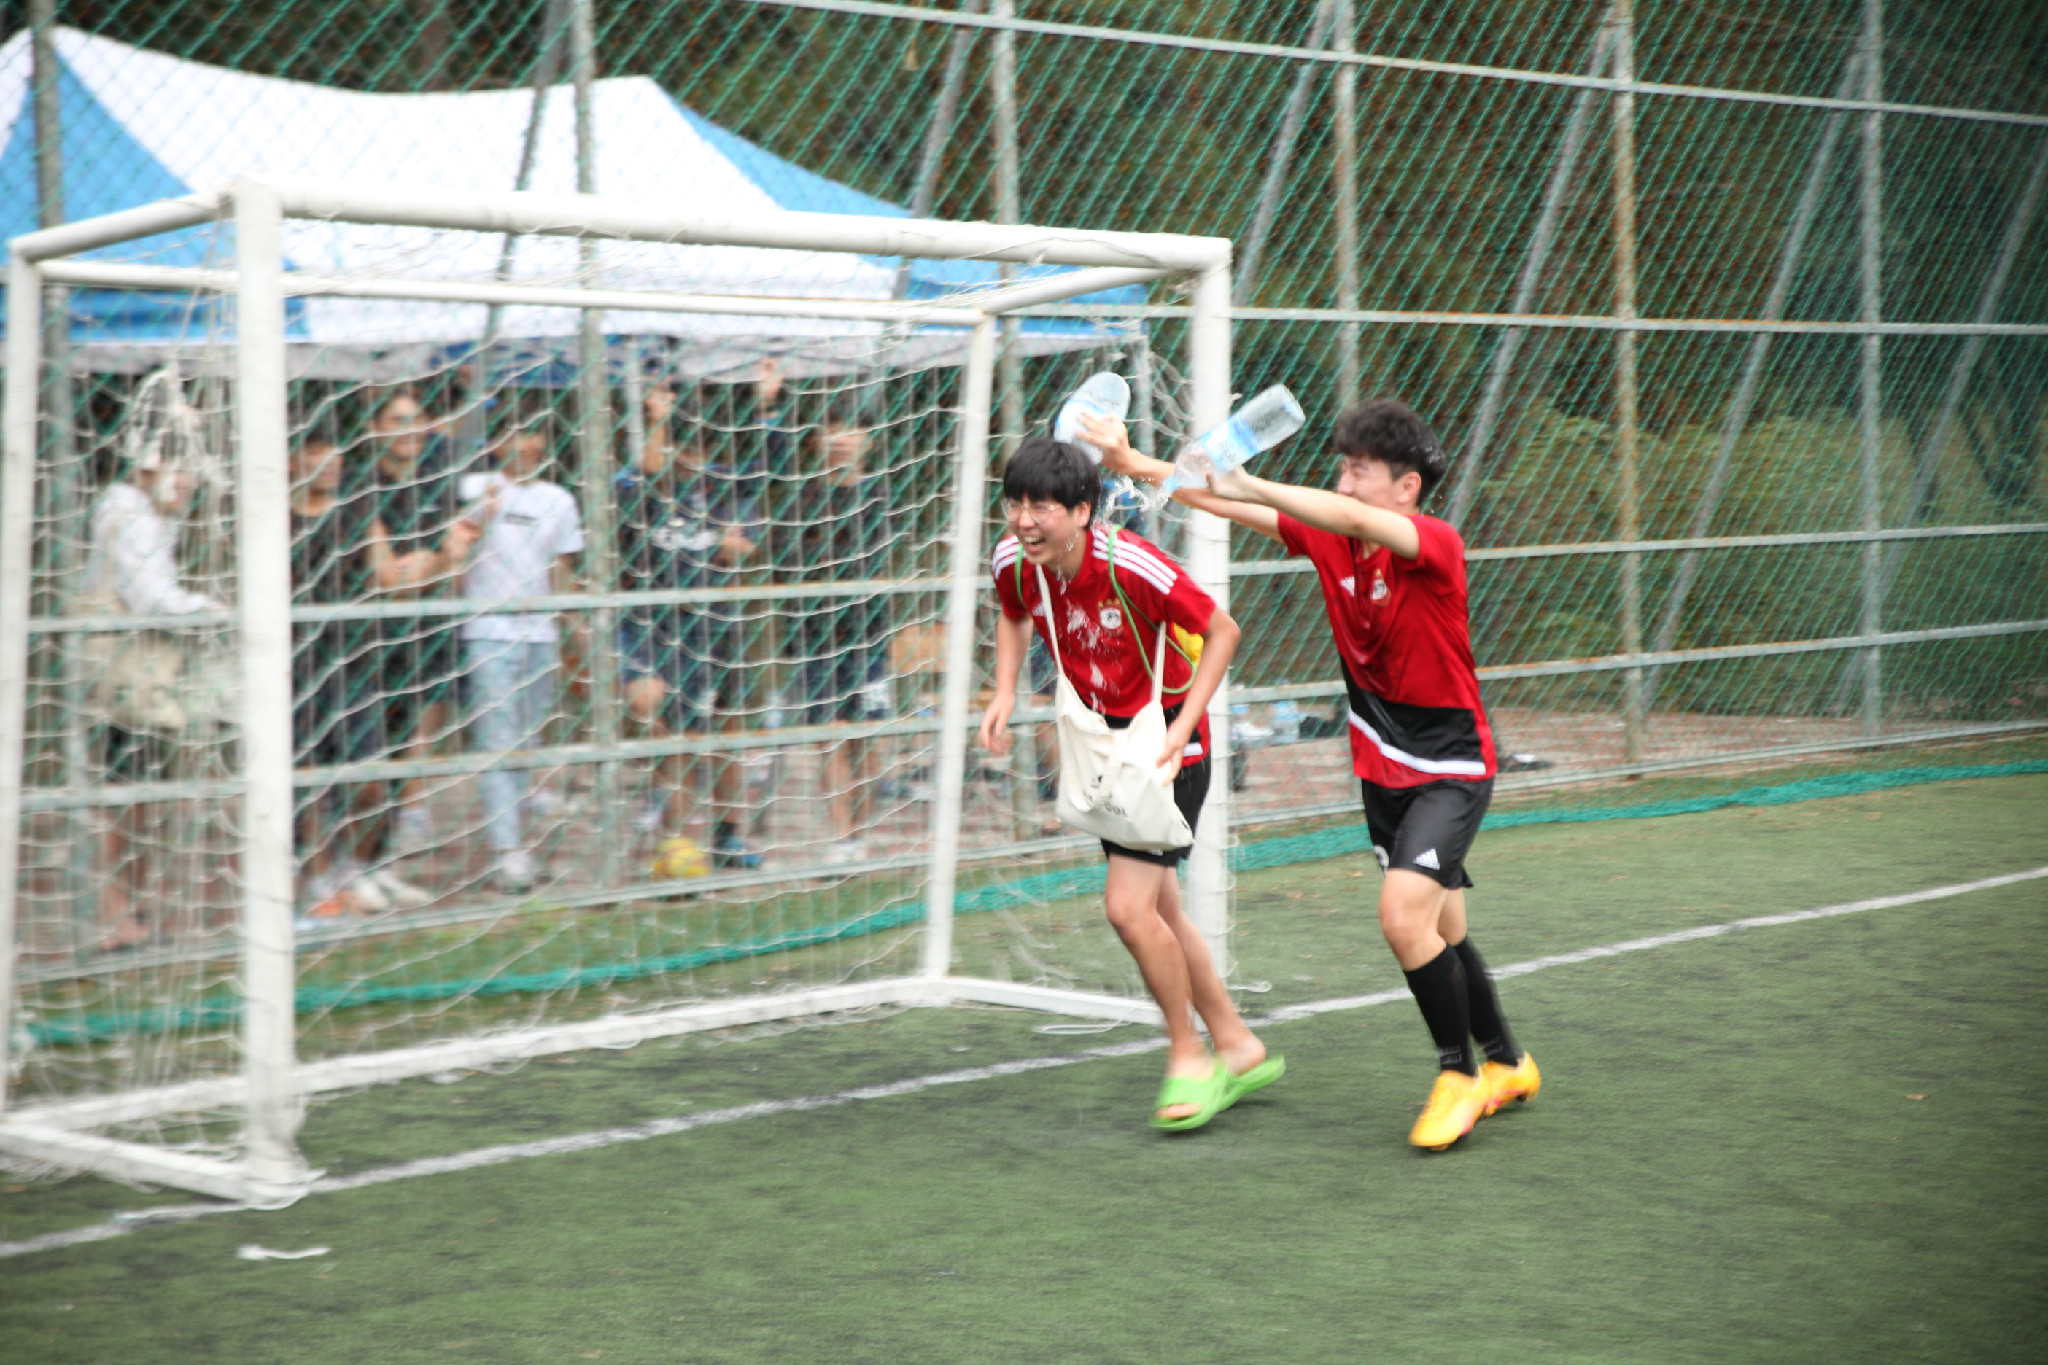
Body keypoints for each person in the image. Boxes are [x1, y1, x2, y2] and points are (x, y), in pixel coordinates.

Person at [1090, 401, 1540, 1151]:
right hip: (1381, 768)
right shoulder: (1333, 538)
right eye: (1343, 469)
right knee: (1443, 928)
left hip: (1450, 767)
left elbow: (1337, 513)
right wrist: (1137, 463)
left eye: (1360, 471)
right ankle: (1508, 1062)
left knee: (1403, 918)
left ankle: (1459, 1076)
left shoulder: (1434, 542)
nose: (1345, 483)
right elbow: (1219, 501)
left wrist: (1249, 480)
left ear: (1407, 488)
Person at [977, 437, 1277, 1131]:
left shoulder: (1131, 564)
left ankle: (1189, 1055)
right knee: (1159, 909)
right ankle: (1235, 1041)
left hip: (1169, 747)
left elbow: (1224, 631)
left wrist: (1185, 725)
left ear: (1083, 511)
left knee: (1127, 908)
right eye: (1015, 503)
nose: (1024, 520)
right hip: (1108, 747)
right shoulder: (1015, 561)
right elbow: (1013, 611)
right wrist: (1004, 690)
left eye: (1041, 506)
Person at [289, 435, 467, 916]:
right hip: (293, 665)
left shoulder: (360, 516)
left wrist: (443, 558)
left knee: (371, 781)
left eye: (334, 452)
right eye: (315, 451)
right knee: (308, 784)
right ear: (291, 459)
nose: (329, 461)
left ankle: (356, 870)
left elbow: (394, 582)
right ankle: (319, 884)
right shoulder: (273, 520)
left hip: (352, 662)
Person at [77, 448, 222, 951]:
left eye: (191, 472)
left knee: (143, 793)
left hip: (142, 671)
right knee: (126, 794)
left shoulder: (150, 515)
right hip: (125, 672)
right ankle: (112, 914)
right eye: (178, 469)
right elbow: (151, 599)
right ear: (146, 466)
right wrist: (209, 608)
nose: (187, 483)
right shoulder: (129, 514)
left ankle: (127, 911)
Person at [616, 378, 764, 868]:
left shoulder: (724, 487)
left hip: (714, 627)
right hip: (652, 626)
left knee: (721, 734)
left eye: (701, 447)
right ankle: (673, 834)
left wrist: (722, 543)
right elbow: (645, 474)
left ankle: (726, 835)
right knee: (662, 720)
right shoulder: (636, 486)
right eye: (681, 445)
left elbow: (745, 548)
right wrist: (658, 420)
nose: (691, 458)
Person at [460, 418, 585, 892]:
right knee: (498, 740)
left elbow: (561, 567)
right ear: (495, 442)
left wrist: (576, 625)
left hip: (540, 633)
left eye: (534, 436)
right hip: (487, 630)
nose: (525, 445)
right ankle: (505, 850)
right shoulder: (474, 487)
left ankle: (518, 842)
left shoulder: (559, 499)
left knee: (526, 742)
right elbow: (456, 549)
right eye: (514, 435)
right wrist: (481, 515)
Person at [778, 406, 890, 862]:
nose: (841, 439)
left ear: (868, 441)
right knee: (830, 734)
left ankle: (861, 833)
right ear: (816, 441)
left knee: (865, 736)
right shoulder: (801, 498)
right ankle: (842, 837)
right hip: (816, 637)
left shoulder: (882, 496)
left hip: (867, 636)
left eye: (851, 431)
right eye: (832, 430)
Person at [364, 389, 466, 855]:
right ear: (375, 429)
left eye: (416, 420)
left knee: (428, 710)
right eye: (397, 420)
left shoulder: (436, 482)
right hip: (371, 630)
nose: (409, 430)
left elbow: (455, 561)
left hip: (428, 619)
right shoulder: (363, 486)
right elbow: (390, 579)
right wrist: (436, 561)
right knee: (379, 728)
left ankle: (412, 808)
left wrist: (436, 562)